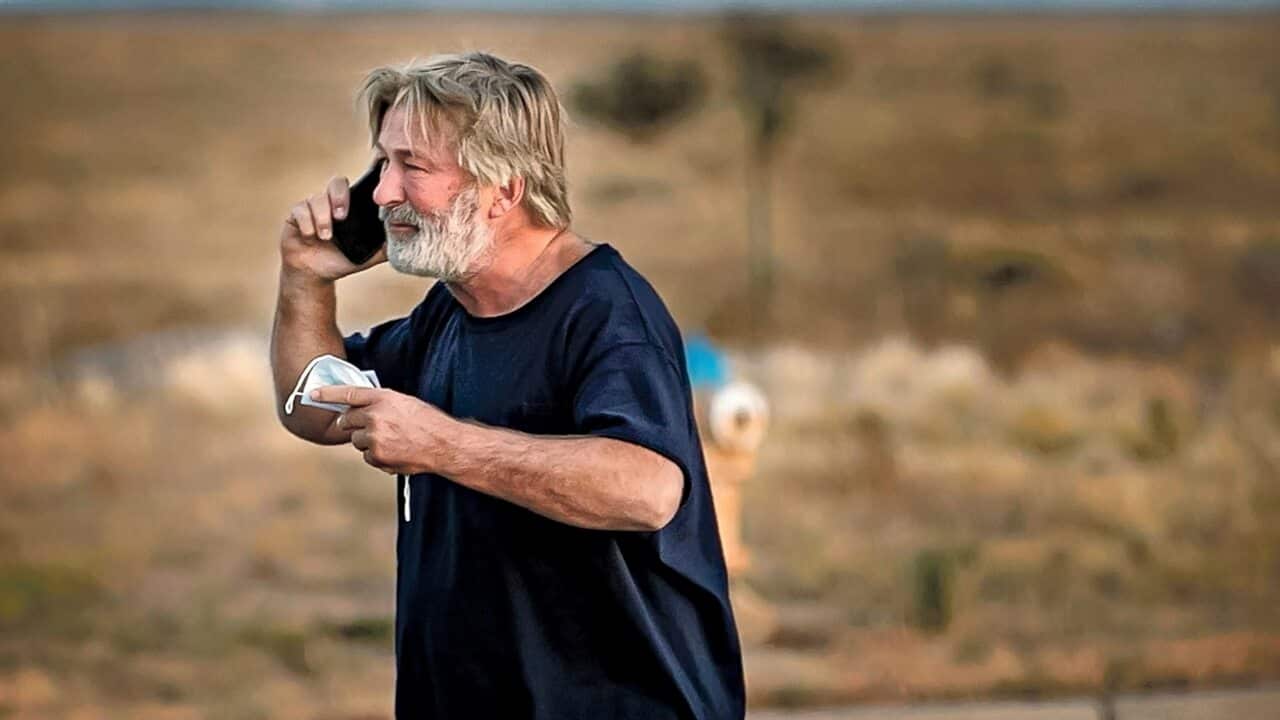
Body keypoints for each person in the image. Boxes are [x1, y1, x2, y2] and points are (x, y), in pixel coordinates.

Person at [269, 51, 745, 719]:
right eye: (384, 162)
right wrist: (305, 279)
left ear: (505, 189)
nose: (380, 194)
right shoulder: (450, 311)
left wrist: (444, 447)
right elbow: (313, 407)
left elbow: (648, 488)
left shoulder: (606, 312)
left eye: (414, 167)